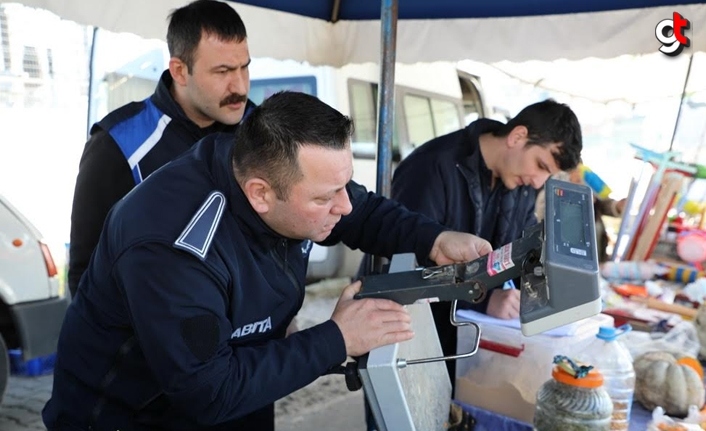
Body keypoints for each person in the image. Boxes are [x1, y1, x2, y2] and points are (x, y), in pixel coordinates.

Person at [42, 91, 493, 431]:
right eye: (324, 197)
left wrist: (434, 238)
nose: (345, 207)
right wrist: (337, 338)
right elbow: (208, 390)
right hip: (131, 415)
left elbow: (365, 211)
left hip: (242, 396)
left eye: (344, 186)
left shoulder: (280, 173)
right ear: (260, 193)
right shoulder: (171, 245)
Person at [376, 99, 583, 391]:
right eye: (540, 165)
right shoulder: (433, 166)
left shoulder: (520, 183)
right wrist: (484, 300)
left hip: (470, 343)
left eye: (547, 175)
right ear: (518, 136)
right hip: (409, 337)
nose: (538, 182)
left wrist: (544, 288)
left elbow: (522, 251)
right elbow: (403, 267)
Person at [67, 0, 256, 298]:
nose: (240, 87)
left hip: (255, 336)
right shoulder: (119, 142)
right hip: (156, 337)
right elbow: (86, 271)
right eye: (222, 72)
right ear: (180, 71)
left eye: (244, 67)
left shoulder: (262, 132)